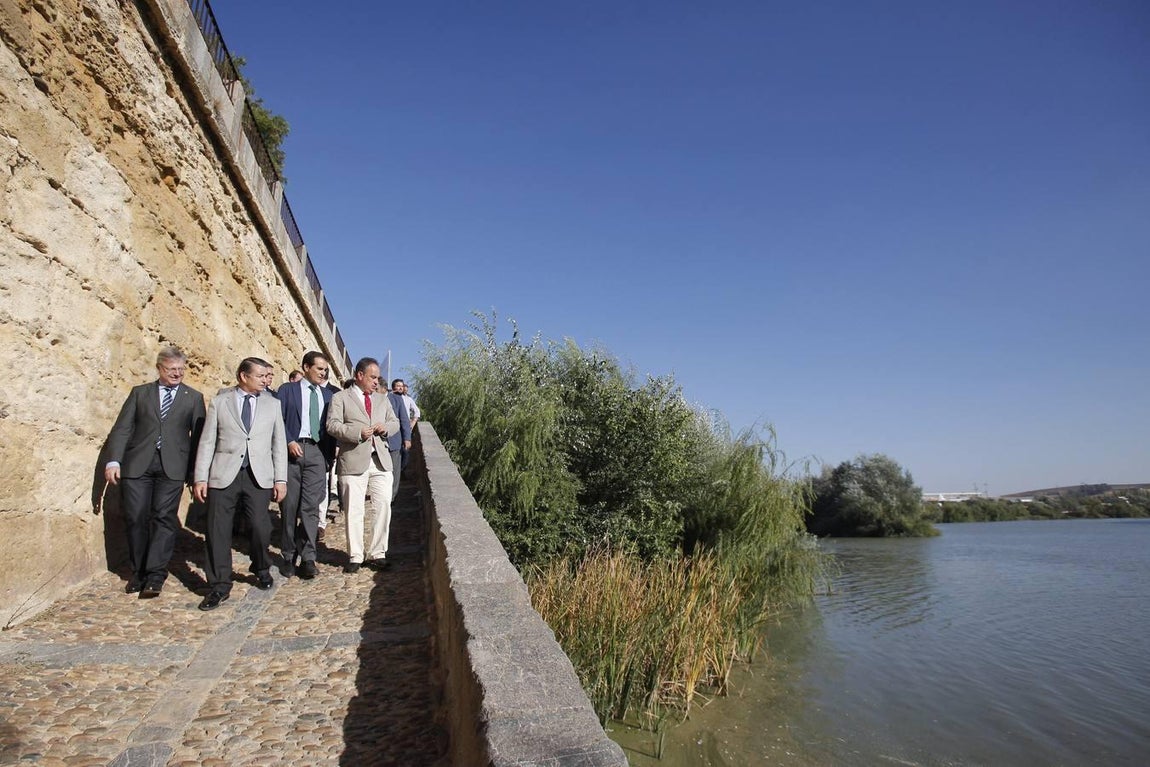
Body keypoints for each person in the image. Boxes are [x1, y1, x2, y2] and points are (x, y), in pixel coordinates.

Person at [104, 347, 206, 598]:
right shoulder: (140, 394)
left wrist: (195, 474)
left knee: (163, 518)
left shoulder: (193, 397)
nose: (177, 373)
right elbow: (123, 428)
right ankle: (138, 571)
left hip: (172, 468)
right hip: (138, 465)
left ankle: (156, 574)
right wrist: (113, 461)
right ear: (159, 368)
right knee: (136, 517)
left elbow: (199, 440)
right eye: (172, 369)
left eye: (181, 369)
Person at [193, 357, 287, 610]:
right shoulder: (220, 402)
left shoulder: (272, 405)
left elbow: (278, 444)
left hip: (259, 475)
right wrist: (200, 477)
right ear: (243, 376)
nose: (265, 380)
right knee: (217, 529)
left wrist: (281, 478)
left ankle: (261, 565)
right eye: (260, 376)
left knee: (260, 526)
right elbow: (207, 442)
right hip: (224, 474)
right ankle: (219, 584)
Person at [326, 357, 400, 573]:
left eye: (378, 378)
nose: (376, 382)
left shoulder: (382, 400)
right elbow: (332, 425)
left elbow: (394, 422)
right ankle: (355, 555)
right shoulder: (340, 398)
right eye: (373, 377)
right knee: (354, 509)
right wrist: (356, 433)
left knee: (383, 506)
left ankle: (378, 553)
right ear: (360, 375)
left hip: (380, 461)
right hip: (353, 459)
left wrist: (385, 428)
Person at [277, 351, 334, 579]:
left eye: (325, 370)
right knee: (289, 507)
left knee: (311, 507)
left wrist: (327, 458)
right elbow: (277, 419)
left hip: (317, 453)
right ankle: (288, 555)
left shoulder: (329, 396)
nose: (323, 373)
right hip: (292, 451)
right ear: (306, 367)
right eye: (319, 368)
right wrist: (289, 440)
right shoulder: (287, 391)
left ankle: (308, 556)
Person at [385, 386, 412, 500]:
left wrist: (407, 438)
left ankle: (392, 497)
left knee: (394, 471)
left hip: (393, 441)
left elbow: (404, 419)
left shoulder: (396, 399)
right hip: (375, 444)